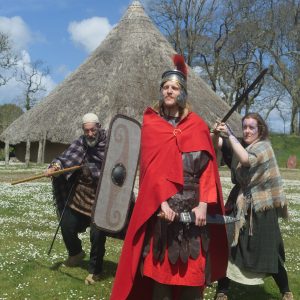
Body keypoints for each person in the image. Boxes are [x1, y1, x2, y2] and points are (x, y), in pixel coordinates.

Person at [110, 55, 228, 300]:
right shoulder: (152, 125)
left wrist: (204, 205)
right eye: (165, 87)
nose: (169, 91)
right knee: (161, 282)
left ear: (182, 92)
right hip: (164, 212)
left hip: (195, 214)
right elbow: (150, 173)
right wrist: (161, 204)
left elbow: (206, 170)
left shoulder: (196, 125)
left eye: (174, 88)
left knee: (192, 280)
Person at [212, 113, 293, 300]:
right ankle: (222, 290)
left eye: (251, 127)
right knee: (227, 243)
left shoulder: (264, 146)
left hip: (261, 204)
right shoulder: (238, 143)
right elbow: (216, 145)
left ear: (260, 130)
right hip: (238, 200)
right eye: (245, 127)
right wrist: (216, 133)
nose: (247, 131)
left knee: (268, 248)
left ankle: (285, 290)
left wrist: (230, 135)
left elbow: (247, 159)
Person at [46, 113, 107, 285]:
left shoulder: (112, 142)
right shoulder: (81, 142)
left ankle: (95, 271)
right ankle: (75, 253)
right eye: (86, 130)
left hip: (102, 198)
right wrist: (55, 167)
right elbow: (66, 158)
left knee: (97, 235)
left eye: (92, 130)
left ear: (99, 127)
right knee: (66, 223)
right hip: (80, 196)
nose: (89, 134)